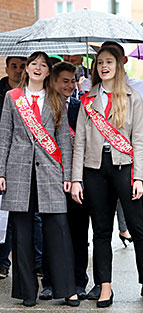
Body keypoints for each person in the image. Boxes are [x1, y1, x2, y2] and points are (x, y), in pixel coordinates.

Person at [70, 46, 143, 308]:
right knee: (100, 230)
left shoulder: (133, 97)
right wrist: (77, 178)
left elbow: (140, 141)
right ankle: (105, 287)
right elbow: (80, 143)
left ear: (119, 65)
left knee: (139, 227)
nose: (104, 66)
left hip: (126, 166)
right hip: (95, 168)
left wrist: (140, 178)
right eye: (99, 63)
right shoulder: (88, 99)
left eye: (109, 62)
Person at [0, 51, 79, 307]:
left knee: (58, 229)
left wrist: (67, 173)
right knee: (21, 234)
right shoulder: (12, 98)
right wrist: (0, 172)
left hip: (50, 171)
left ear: (48, 72)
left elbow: (64, 140)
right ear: (27, 69)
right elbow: (5, 137)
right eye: (33, 64)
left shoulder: (56, 98)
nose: (37, 68)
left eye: (42, 65)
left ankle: (67, 289)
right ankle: (26, 291)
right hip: (18, 171)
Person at [41, 61, 89, 300]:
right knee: (52, 232)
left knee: (79, 233)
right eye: (65, 81)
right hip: (51, 177)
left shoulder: (82, 107)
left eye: (73, 80)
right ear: (53, 81)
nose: (70, 85)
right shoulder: (43, 107)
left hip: (79, 178)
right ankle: (50, 282)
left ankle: (79, 280)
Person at [0, 56, 26, 280]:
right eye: (14, 66)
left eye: (22, 66)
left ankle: (4, 260)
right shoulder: (2, 93)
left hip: (19, 160)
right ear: (7, 68)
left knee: (12, 212)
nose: (18, 71)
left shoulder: (31, 93)